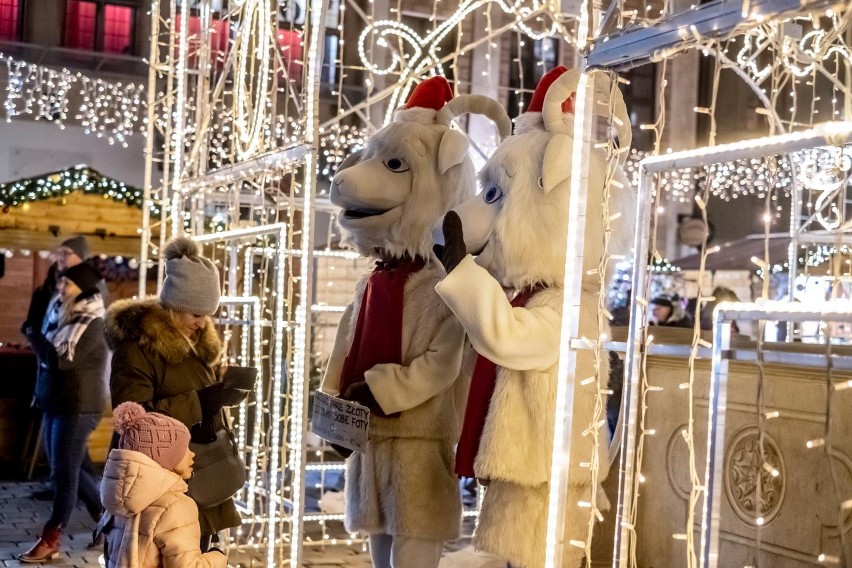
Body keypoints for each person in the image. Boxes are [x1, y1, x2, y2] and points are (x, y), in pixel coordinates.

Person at [104, 237, 246, 551]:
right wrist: (199, 401)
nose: (203, 322)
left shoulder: (193, 344)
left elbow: (185, 384)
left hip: (198, 474)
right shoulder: (136, 349)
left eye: (207, 313)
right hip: (161, 488)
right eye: (196, 313)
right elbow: (135, 423)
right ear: (174, 306)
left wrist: (220, 384)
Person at [19, 261, 109, 562]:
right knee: (74, 469)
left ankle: (51, 537)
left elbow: (61, 361)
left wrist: (33, 335)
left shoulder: (90, 320)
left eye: (67, 284)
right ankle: (106, 522)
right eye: (61, 282)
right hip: (57, 402)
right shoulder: (62, 312)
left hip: (78, 406)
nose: (61, 287)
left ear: (81, 288)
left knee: (63, 474)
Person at [22, 235, 104, 503]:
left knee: (70, 463)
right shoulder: (56, 283)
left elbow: (69, 355)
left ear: (80, 256)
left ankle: (73, 518)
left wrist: (37, 335)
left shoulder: (90, 291)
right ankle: (88, 507)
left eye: (67, 253)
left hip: (77, 389)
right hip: (56, 386)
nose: (61, 258)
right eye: (60, 253)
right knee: (68, 462)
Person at [98, 402, 228, 568]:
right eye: (184, 448)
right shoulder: (175, 506)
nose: (192, 453)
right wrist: (218, 557)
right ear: (165, 457)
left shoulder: (119, 500)